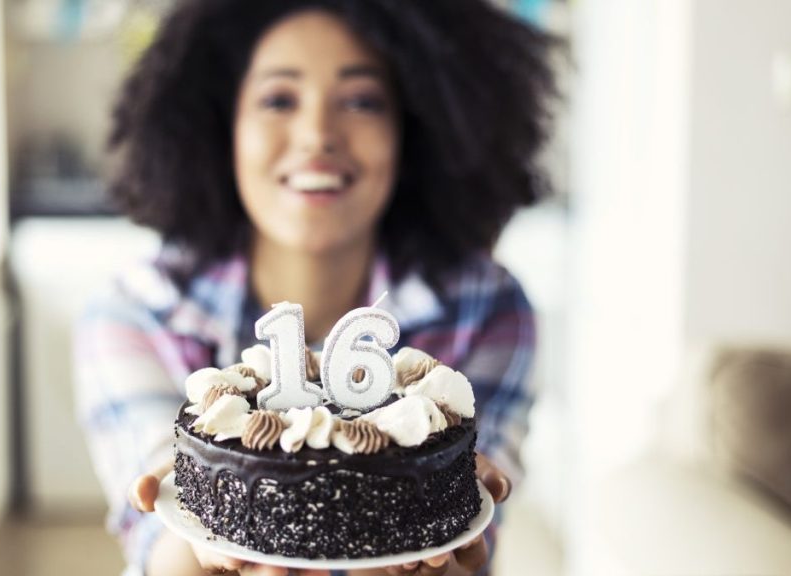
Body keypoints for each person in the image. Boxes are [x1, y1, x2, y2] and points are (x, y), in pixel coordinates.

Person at [74, 1, 558, 574]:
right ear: (219, 125)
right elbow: (158, 542)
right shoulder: (137, 311)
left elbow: (473, 546)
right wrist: (199, 543)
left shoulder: (487, 308)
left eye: (362, 101)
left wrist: (442, 539)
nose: (317, 135)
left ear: (416, 128)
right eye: (279, 99)